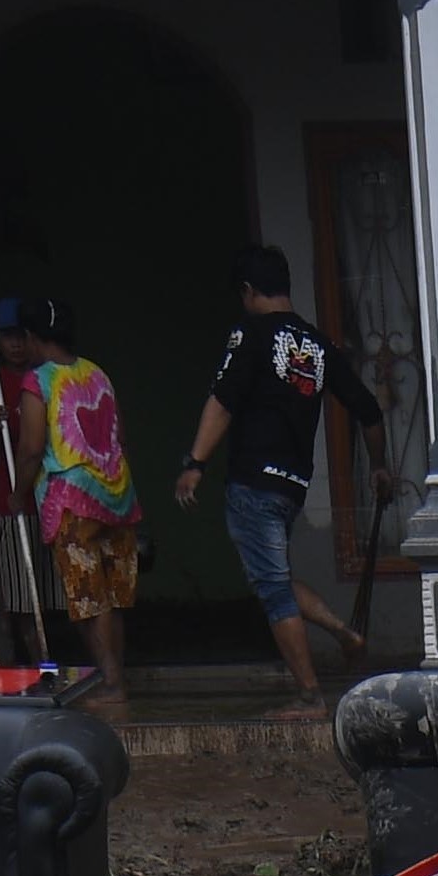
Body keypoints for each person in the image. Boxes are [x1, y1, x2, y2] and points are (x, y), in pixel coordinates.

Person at [171, 243, 389, 710]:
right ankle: (343, 631)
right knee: (276, 576)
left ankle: (309, 694)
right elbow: (369, 413)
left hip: (252, 480)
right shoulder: (319, 345)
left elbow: (222, 402)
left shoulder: (248, 336)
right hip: (292, 486)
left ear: (248, 291)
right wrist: (379, 466)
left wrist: (195, 464)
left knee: (272, 588)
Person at [0, 292, 137, 706]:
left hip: (73, 500)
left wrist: (19, 494)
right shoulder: (98, 373)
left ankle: (112, 685)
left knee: (89, 599)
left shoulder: (37, 381)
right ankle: (116, 679)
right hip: (117, 494)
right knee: (112, 597)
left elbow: (32, 447)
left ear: (34, 337)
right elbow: (120, 436)